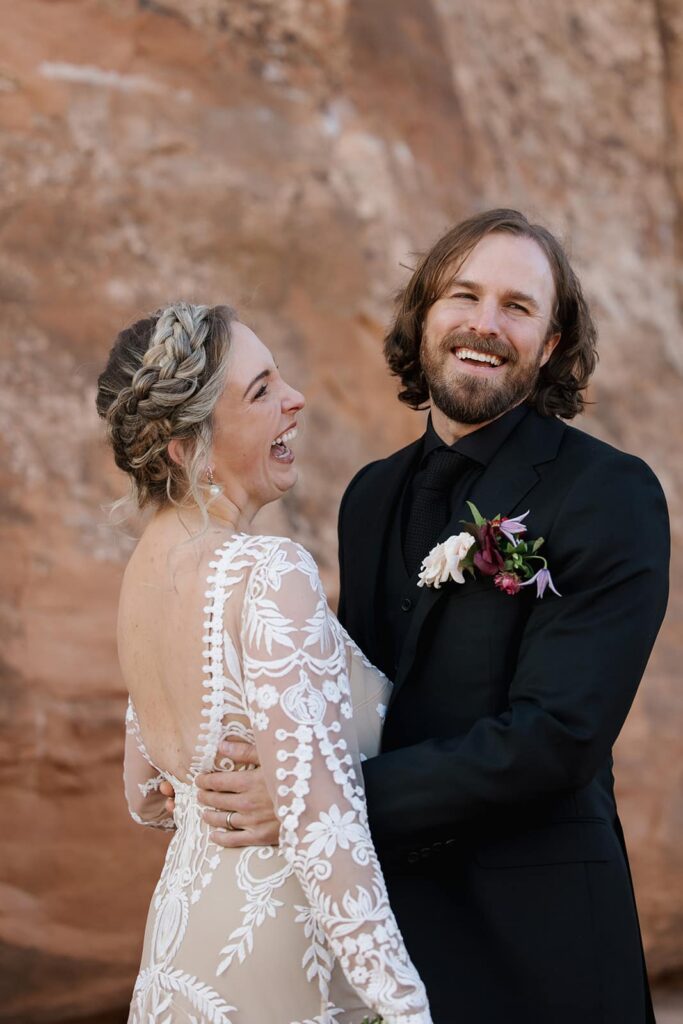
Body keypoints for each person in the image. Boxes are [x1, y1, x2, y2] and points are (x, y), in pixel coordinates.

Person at [190, 210, 670, 1024]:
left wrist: (317, 805)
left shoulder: (608, 492)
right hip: (389, 935)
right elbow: (365, 701)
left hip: (540, 948)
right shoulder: (369, 494)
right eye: (463, 295)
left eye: (518, 307)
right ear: (423, 318)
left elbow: (556, 737)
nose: (485, 323)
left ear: (550, 344)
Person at [97, 303, 433, 1024]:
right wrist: (403, 1006)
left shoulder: (140, 579)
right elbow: (324, 830)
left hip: (182, 952)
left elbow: (146, 795)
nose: (295, 400)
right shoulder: (266, 568)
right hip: (282, 960)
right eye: (260, 391)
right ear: (186, 449)